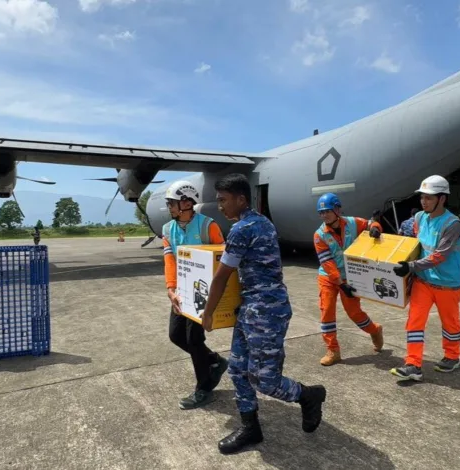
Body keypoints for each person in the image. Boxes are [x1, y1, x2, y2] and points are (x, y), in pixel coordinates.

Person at [200, 173, 327, 455]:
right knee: (237, 369)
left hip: (266, 312)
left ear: (240, 199)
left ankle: (308, 395)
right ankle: (251, 427)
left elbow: (222, 276)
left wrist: (207, 314)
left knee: (265, 380)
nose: (220, 206)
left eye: (223, 200)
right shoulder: (262, 222)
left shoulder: (242, 229)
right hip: (252, 307)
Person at [161, 180, 229, 410]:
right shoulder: (167, 229)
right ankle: (215, 361)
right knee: (176, 335)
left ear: (187, 202)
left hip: (203, 291)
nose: (169, 207)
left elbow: (223, 258)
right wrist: (171, 289)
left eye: (172, 203)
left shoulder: (207, 227)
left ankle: (204, 388)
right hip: (181, 291)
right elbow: (169, 261)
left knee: (193, 340)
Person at [389, 175, 460, 382]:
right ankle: (413, 364)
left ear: (442, 198)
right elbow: (412, 240)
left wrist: (410, 266)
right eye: (422, 197)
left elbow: (440, 255)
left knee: (450, 324)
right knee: (414, 321)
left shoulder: (453, 224)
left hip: (447, 284)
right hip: (423, 281)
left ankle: (452, 357)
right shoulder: (420, 218)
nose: (424, 201)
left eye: (429, 198)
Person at [313, 192, 384, 366]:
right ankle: (333, 350)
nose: (324, 215)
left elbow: (369, 223)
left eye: (327, 211)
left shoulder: (352, 223)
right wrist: (340, 284)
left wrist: (376, 228)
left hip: (351, 276)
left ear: (338, 209)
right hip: (328, 278)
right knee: (327, 311)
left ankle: (374, 330)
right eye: (321, 213)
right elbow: (327, 262)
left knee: (354, 313)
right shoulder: (319, 235)